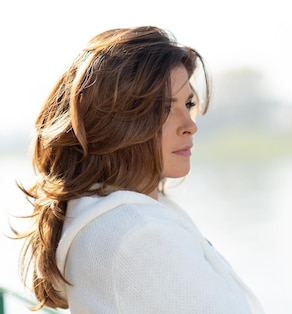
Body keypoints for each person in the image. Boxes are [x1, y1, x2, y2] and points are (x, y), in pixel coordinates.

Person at [13, 26, 264, 313]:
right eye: (163, 109)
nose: (190, 126)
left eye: (188, 104)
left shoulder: (101, 214)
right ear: (115, 123)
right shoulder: (139, 235)